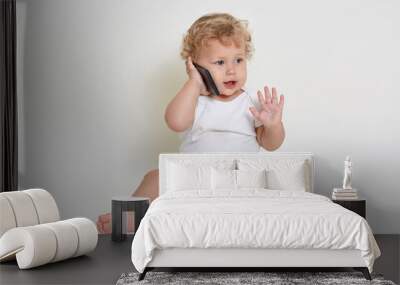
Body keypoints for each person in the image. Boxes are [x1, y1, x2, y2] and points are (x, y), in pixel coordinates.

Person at [97, 12, 285, 234]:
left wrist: (272, 125)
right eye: (220, 62)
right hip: (193, 179)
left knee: (270, 182)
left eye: (238, 59)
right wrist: (194, 84)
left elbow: (271, 144)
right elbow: (175, 122)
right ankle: (129, 218)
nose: (232, 69)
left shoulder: (251, 101)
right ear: (196, 67)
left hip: (237, 180)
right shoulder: (194, 101)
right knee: (154, 177)